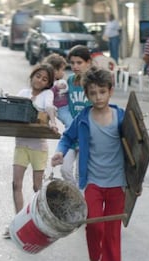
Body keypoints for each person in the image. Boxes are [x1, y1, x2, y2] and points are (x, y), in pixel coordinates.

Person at [51, 66, 126, 261]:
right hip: (92, 181)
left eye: (102, 92)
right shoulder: (84, 117)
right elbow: (66, 138)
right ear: (86, 95)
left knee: (112, 228)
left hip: (118, 182)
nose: (98, 97)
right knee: (94, 226)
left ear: (110, 91)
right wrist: (59, 152)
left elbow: (138, 149)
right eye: (92, 93)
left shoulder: (121, 117)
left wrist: (137, 182)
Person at [3, 63, 59, 238]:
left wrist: (53, 122)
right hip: (21, 144)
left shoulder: (46, 94)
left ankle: (42, 222)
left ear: (48, 83)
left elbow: (49, 107)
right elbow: (13, 108)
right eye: (38, 76)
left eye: (45, 79)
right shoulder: (23, 93)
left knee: (37, 186)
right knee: (16, 184)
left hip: (38, 147)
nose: (40, 80)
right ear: (32, 76)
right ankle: (19, 222)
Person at [61, 45, 93, 185]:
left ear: (88, 62)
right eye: (72, 63)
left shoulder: (93, 82)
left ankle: (82, 200)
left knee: (81, 173)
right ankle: (76, 195)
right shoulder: (70, 80)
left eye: (79, 63)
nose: (75, 66)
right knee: (65, 169)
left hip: (88, 134)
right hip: (72, 132)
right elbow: (64, 105)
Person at [42, 53, 72, 128]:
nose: (63, 72)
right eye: (62, 70)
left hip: (66, 107)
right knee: (70, 122)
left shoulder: (61, 81)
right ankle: (69, 137)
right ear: (55, 71)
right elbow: (47, 94)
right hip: (60, 108)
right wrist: (56, 88)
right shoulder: (48, 83)